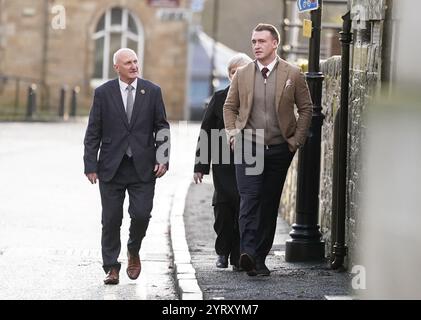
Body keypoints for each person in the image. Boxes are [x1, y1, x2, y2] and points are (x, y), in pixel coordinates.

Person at [223, 24, 312, 276]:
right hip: (248, 146)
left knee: (268, 203)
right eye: (253, 41)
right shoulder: (242, 74)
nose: (256, 46)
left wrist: (295, 140)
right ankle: (247, 252)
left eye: (262, 41)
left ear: (275, 44)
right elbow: (229, 107)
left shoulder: (293, 74)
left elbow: (306, 109)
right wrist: (232, 135)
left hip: (279, 148)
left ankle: (259, 259)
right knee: (249, 199)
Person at [84, 48, 170, 285]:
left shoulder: (152, 91)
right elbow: (93, 131)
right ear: (117, 68)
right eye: (128, 63)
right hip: (112, 167)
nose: (133, 66)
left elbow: (162, 127)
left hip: (143, 167)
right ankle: (111, 267)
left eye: (135, 61)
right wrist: (90, 164)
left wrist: (162, 159)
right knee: (111, 219)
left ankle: (133, 249)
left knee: (141, 214)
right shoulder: (103, 93)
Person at [193, 53, 253, 271]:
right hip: (222, 162)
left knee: (244, 210)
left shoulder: (257, 97)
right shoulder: (219, 98)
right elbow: (206, 133)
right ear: (229, 75)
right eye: (234, 72)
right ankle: (222, 251)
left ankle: (239, 255)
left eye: (243, 71)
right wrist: (200, 166)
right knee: (223, 210)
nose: (238, 76)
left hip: (250, 161)